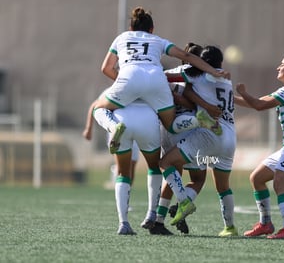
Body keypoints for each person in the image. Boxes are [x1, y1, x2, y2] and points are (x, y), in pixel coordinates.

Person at [92, 7, 226, 154]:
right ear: (152, 29)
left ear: (131, 28)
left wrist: (128, 84)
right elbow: (185, 56)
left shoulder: (122, 38)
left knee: (98, 107)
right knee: (170, 125)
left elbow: (106, 68)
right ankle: (198, 120)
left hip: (129, 77)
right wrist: (212, 71)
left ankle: (113, 127)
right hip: (156, 79)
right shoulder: (158, 41)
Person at [158, 45, 239, 237]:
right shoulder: (226, 79)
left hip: (209, 133)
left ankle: (182, 202)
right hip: (230, 138)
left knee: (166, 163)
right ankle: (230, 227)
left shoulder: (196, 74)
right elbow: (190, 93)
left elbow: (164, 77)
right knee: (222, 186)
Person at [235, 53, 284, 240]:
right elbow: (256, 103)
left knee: (280, 183)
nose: (278, 68)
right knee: (257, 178)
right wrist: (228, 98)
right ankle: (265, 224)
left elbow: (259, 105)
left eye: (282, 64)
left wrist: (243, 91)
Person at [83, 90, 162, 224]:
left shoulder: (141, 87)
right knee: (124, 168)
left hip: (129, 127)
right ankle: (130, 205)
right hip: (119, 128)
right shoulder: (115, 88)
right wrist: (88, 128)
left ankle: (124, 209)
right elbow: (96, 105)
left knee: (130, 168)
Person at [110, 100, 162, 235]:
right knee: (154, 167)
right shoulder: (157, 78)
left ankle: (123, 223)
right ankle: (152, 214)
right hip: (147, 117)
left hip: (122, 116)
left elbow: (99, 104)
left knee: (123, 173)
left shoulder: (121, 82)